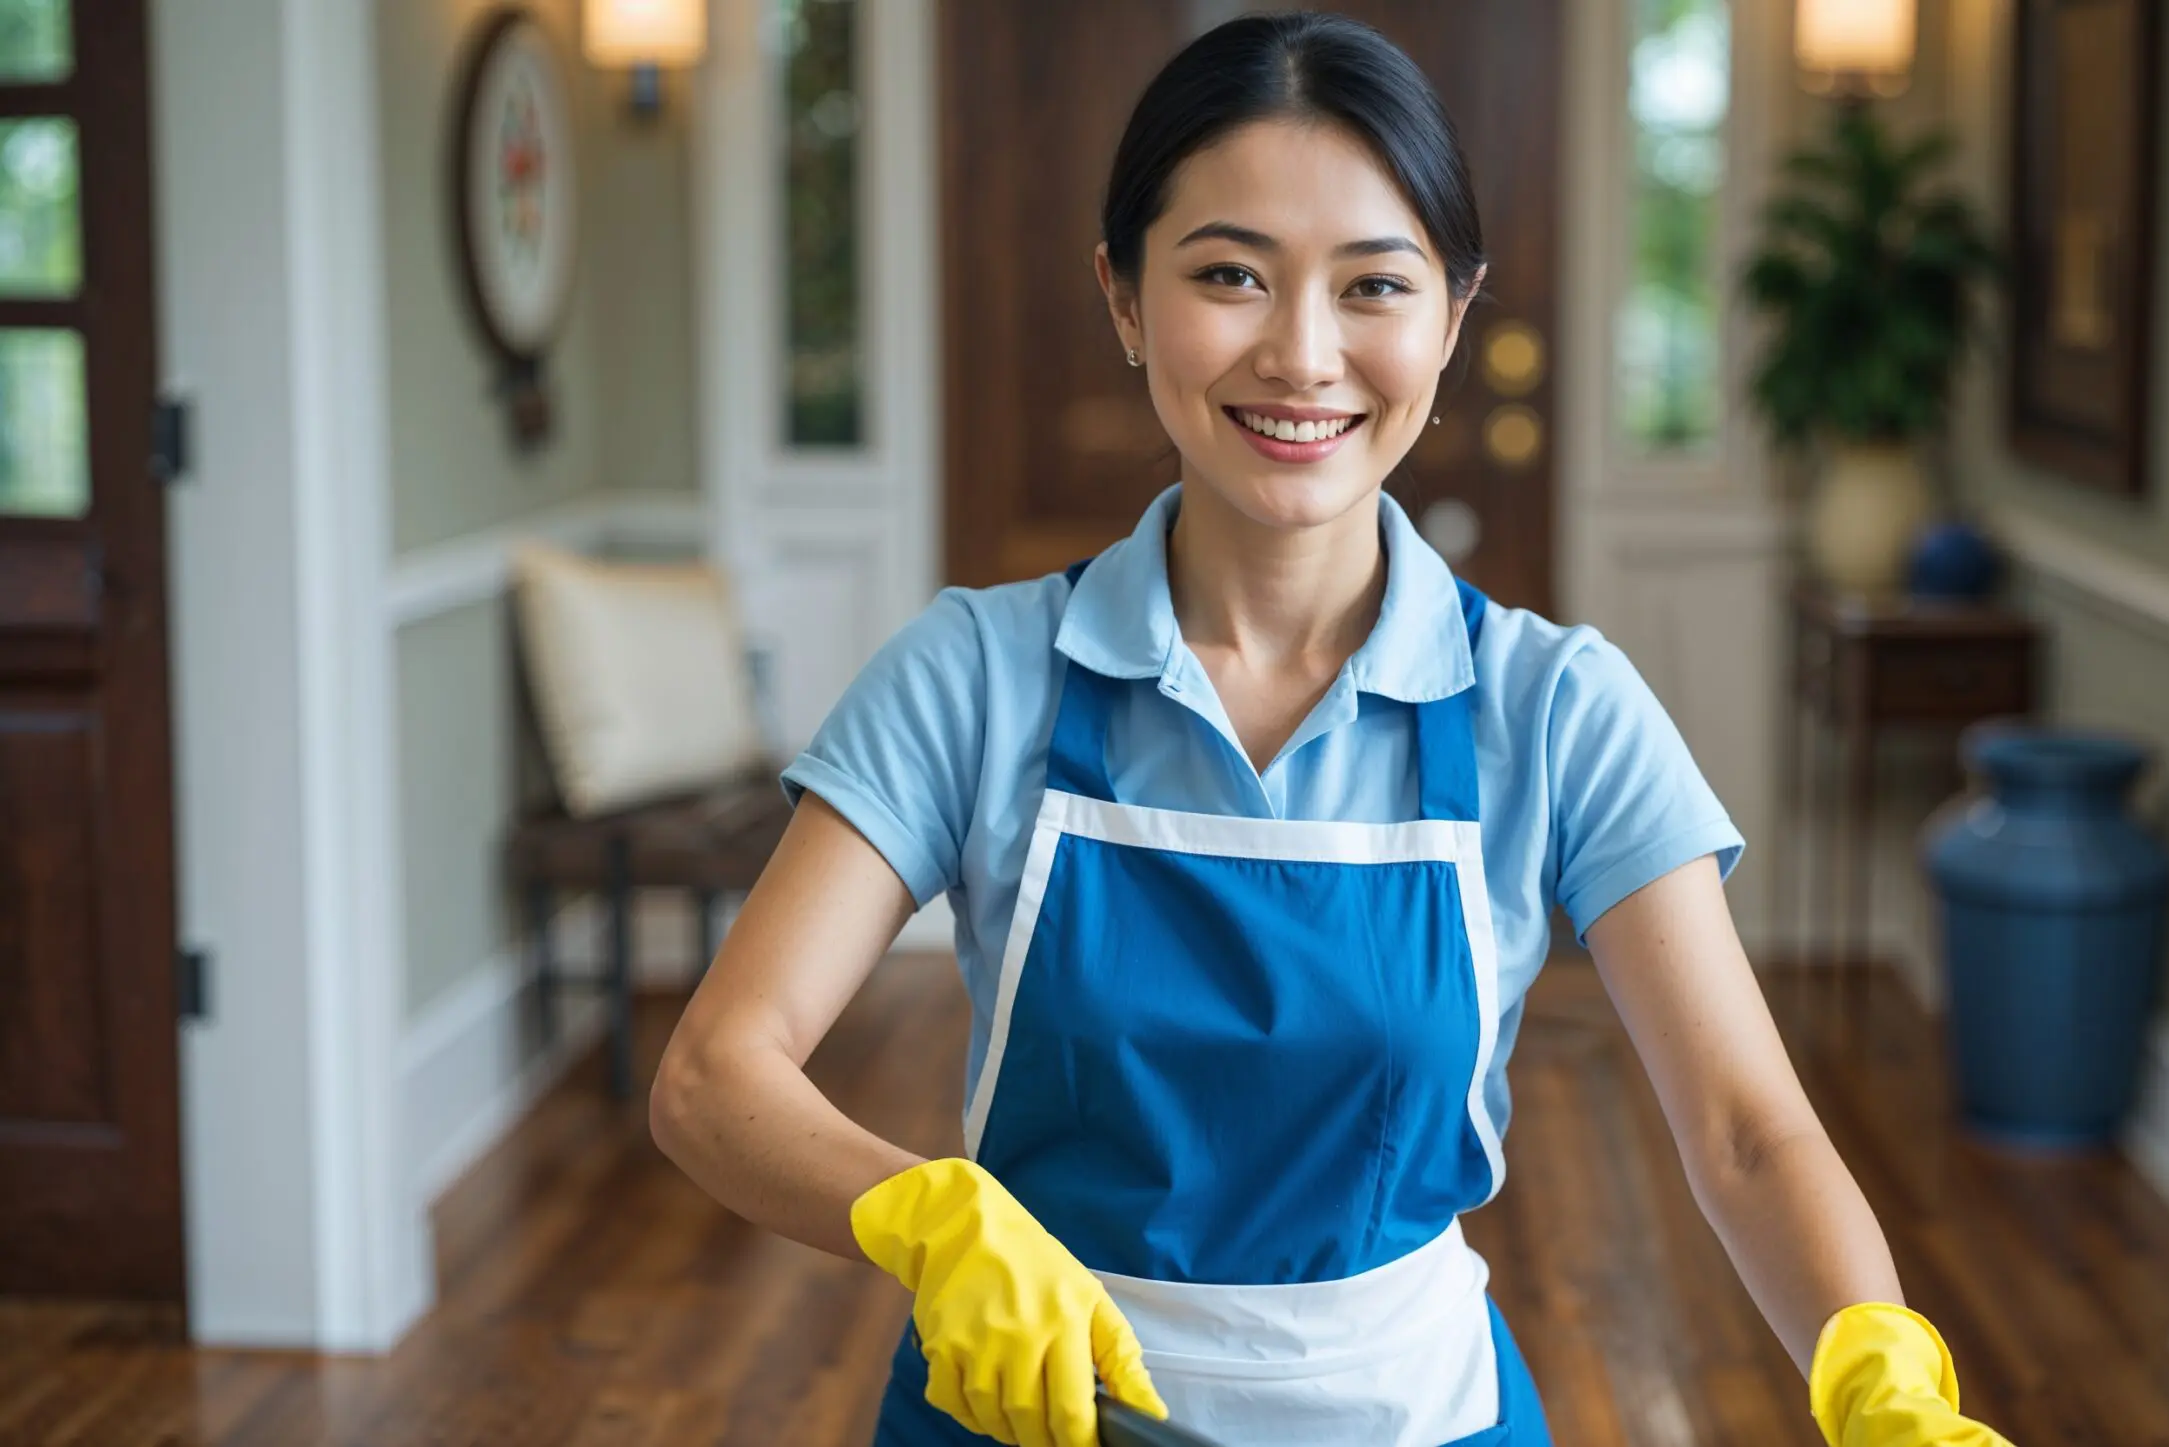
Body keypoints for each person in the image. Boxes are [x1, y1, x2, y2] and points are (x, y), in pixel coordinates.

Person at [651, 13, 2011, 1447]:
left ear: (1453, 316)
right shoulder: (977, 678)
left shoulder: (1553, 710)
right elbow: (714, 1072)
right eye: (1229, 275)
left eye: (1374, 285)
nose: (1302, 356)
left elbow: (1746, 1130)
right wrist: (924, 1218)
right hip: (1020, 1418)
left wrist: (1877, 1366)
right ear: (1123, 297)